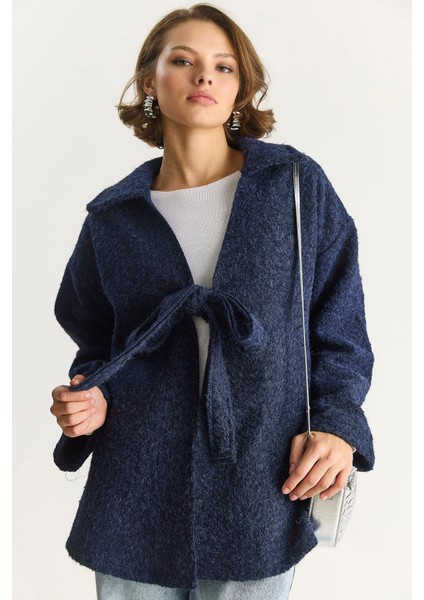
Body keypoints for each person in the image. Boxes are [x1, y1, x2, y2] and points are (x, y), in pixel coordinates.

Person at [50, 4, 375, 600]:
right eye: (183, 61)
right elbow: (96, 342)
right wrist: (89, 397)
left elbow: (340, 326)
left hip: (262, 481)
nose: (205, 76)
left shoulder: (294, 187)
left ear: (240, 87)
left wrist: (337, 426)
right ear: (150, 81)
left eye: (224, 67)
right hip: (135, 488)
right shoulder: (112, 218)